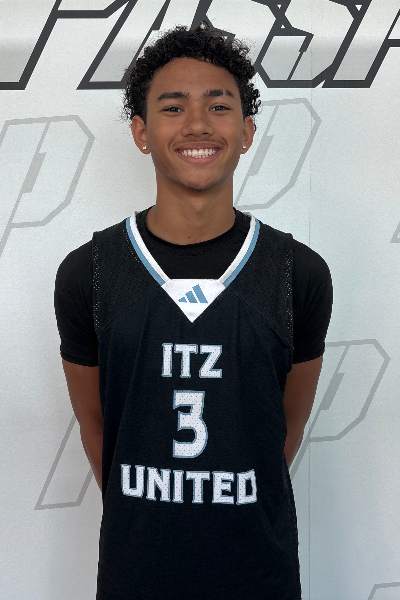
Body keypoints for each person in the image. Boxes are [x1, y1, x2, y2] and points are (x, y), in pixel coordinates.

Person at [54, 20, 333, 600]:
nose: (199, 124)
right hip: (137, 576)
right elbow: (97, 424)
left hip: (258, 577)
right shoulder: (89, 273)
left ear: (247, 131)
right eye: (174, 107)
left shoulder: (298, 273)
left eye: (219, 106)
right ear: (141, 131)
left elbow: (284, 426)